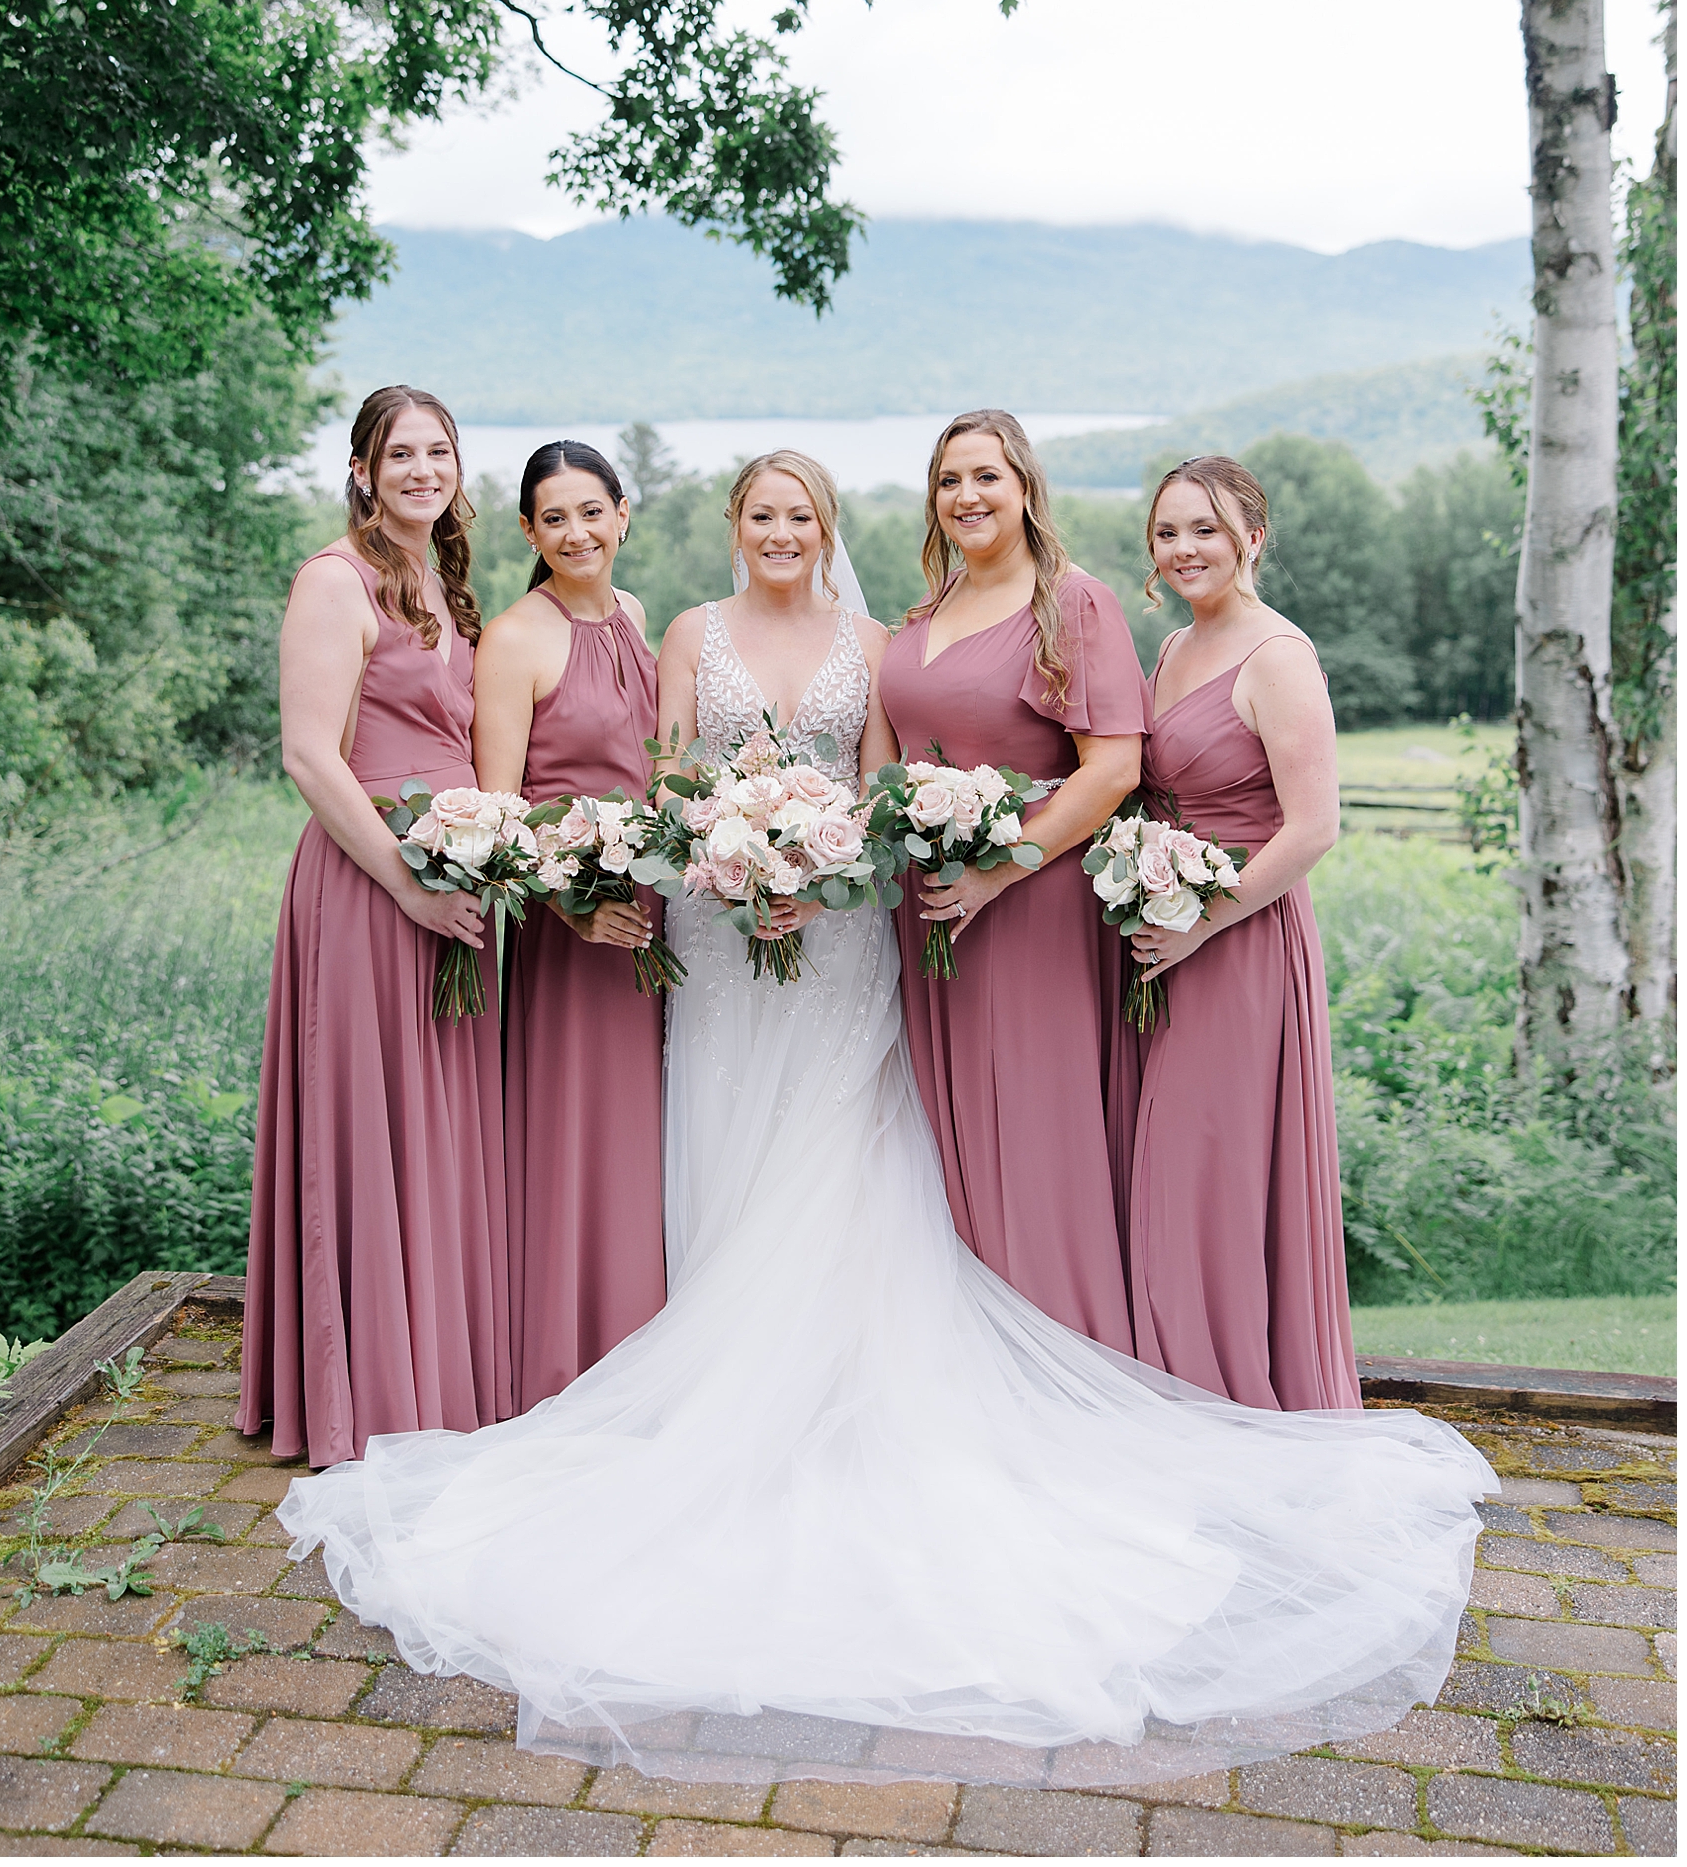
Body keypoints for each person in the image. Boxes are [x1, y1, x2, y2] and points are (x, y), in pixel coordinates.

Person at [279, 445, 1492, 1794]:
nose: (782, 531)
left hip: (848, 943)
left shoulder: (882, 638)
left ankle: (844, 1392)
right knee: (728, 1146)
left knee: (863, 1156)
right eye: (760, 515)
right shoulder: (679, 628)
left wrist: (817, 856)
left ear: (829, 528)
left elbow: (877, 786)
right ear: (731, 529)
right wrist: (728, 850)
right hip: (721, 936)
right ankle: (716, 1365)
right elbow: (670, 771)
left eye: (802, 514)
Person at [239, 386, 511, 1470]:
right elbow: (311, 755)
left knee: (440, 1121)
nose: (419, 469)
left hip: (459, 873)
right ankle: (366, 1386)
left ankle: (440, 1367)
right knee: (367, 1121)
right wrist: (406, 882)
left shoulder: (446, 585)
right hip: (370, 882)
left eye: (437, 451)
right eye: (399, 453)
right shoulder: (332, 581)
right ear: (361, 469)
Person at [876, 409, 1147, 1345]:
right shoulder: (925, 613)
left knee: (1031, 1131)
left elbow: (1112, 768)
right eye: (949, 481)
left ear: (1025, 486)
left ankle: (1060, 1349)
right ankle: (971, 1356)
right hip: (927, 910)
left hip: (1028, 906)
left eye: (986, 476)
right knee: (943, 1135)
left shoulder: (1071, 603)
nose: (967, 497)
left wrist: (1006, 868)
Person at [1126, 456, 1360, 1410]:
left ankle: (1228, 1394)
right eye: (1169, 532)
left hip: (1241, 945)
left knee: (1207, 1163)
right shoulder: (1177, 650)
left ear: (1253, 538)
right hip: (1162, 936)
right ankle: (1174, 1377)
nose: (1185, 549)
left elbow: (1313, 825)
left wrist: (1200, 925)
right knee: (1164, 1167)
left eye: (1206, 530)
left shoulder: (1279, 656)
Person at [474, 440, 667, 1412]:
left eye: (592, 511)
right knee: (578, 1138)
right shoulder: (515, 637)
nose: (577, 532)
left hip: (655, 923)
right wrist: (572, 904)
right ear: (528, 531)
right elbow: (500, 811)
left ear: (623, 512)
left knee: (648, 1141)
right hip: (572, 934)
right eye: (555, 518)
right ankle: (561, 1362)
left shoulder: (636, 618)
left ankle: (641, 1345)